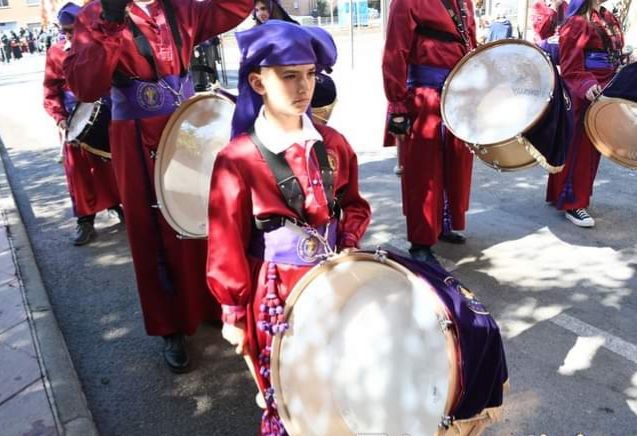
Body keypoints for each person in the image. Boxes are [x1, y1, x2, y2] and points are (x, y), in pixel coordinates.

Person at [63, 0, 252, 373]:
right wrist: (112, 23)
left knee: (201, 218)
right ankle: (170, 327)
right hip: (136, 135)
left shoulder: (179, 7)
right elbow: (85, 85)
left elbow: (236, 7)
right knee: (151, 232)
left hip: (189, 127)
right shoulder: (94, 14)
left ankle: (208, 304)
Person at [207, 20, 371, 434]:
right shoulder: (238, 157)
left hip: (334, 278)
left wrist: (348, 241)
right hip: (277, 290)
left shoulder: (333, 143)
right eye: (289, 76)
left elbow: (353, 205)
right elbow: (225, 239)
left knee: (339, 381)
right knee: (288, 393)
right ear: (258, 82)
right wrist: (232, 311)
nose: (304, 88)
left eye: (311, 75)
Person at [382, 0, 477, 263]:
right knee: (423, 174)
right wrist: (398, 104)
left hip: (458, 96)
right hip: (425, 96)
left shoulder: (464, 2)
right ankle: (420, 241)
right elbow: (394, 52)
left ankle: (443, 224)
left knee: (455, 166)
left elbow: (471, 44)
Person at [43, 2, 123, 246]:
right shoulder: (56, 52)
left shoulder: (100, 46)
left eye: (72, 29)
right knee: (78, 174)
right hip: (74, 122)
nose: (68, 35)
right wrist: (60, 117)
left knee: (113, 167)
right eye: (64, 30)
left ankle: (117, 204)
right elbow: (50, 90)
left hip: (107, 113)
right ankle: (85, 221)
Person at [546, 0, 624, 227]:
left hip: (608, 86)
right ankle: (573, 202)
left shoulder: (609, 17)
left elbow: (614, 53)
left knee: (592, 147)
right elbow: (570, 66)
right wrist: (586, 84)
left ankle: (560, 193)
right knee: (580, 148)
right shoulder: (577, 22)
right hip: (587, 91)